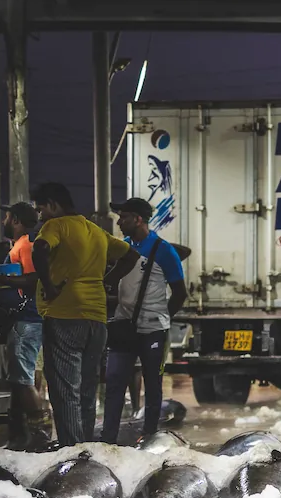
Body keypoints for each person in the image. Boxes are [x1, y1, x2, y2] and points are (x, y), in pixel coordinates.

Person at [31, 182, 140, 447]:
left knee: (65, 389)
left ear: (54, 204)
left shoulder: (56, 225)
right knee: (87, 388)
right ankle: (87, 450)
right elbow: (131, 256)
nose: (40, 215)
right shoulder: (95, 231)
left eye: (41, 208)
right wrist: (106, 281)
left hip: (65, 315)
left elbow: (40, 249)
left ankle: (72, 452)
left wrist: (49, 286)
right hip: (97, 319)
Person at [101, 199, 188, 443]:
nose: (119, 222)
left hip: (153, 331)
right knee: (115, 383)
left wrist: (161, 319)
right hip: (123, 326)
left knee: (153, 385)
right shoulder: (122, 248)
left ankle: (149, 437)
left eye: (124, 217)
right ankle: (108, 439)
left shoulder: (164, 250)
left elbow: (180, 293)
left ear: (139, 219)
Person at [0, 202, 50, 450]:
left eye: (7, 217)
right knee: (21, 379)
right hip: (27, 320)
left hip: (28, 319)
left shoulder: (25, 245)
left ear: (15, 220)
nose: (4, 221)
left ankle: (41, 433)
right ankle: (24, 433)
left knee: (24, 378)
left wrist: (3, 279)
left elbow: (35, 279)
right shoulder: (19, 245)